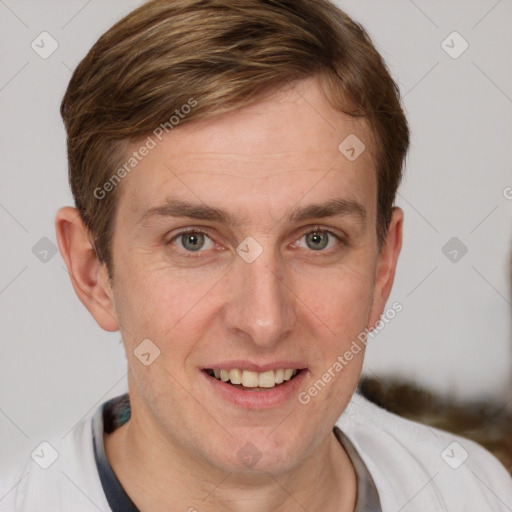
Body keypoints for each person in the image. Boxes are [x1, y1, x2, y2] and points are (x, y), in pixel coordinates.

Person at [3, 0, 512, 510]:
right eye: (193, 240)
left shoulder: (475, 493)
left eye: (317, 239)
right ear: (93, 273)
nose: (265, 321)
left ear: (382, 267)